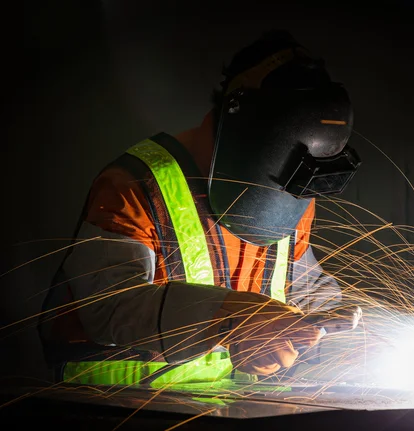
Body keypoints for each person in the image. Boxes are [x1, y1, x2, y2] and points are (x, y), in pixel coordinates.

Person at [38, 29, 361, 385]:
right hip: (106, 406)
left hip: (212, 405)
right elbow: (111, 307)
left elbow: (301, 284)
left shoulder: (293, 192)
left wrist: (333, 323)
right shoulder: (135, 185)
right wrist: (230, 317)